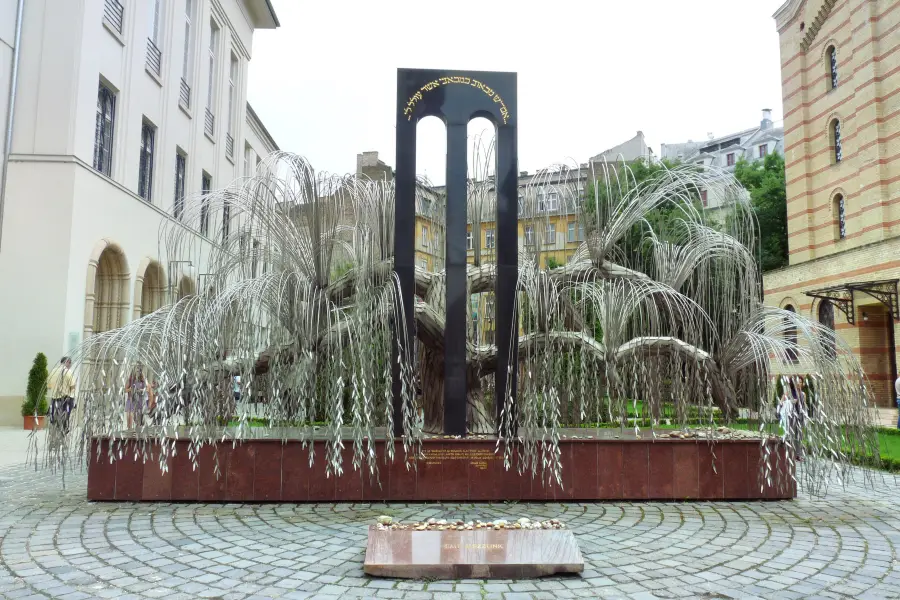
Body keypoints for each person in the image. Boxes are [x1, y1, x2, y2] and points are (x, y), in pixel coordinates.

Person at [47, 357, 76, 432]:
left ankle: (55, 427)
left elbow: (49, 386)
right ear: (67, 362)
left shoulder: (53, 371)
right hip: (66, 399)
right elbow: (73, 386)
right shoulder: (68, 372)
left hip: (54, 399)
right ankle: (65, 428)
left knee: (54, 417)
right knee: (65, 416)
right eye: (70, 363)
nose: (70, 365)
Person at [125, 363, 148, 429]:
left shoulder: (142, 380)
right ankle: (129, 430)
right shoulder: (130, 381)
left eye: (139, 371)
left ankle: (139, 429)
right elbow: (125, 390)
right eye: (136, 371)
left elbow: (146, 389)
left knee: (140, 418)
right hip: (132, 400)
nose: (137, 372)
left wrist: (141, 390)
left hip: (140, 400)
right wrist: (131, 389)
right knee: (130, 417)